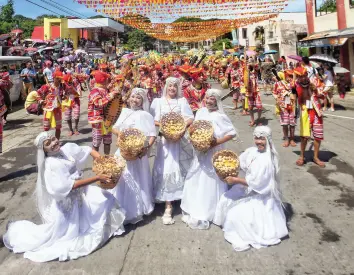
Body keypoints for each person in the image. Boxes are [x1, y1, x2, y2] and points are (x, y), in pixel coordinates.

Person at [2, 131, 125, 262]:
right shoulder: (51, 164)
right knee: (65, 236)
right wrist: (97, 177)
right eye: (48, 144)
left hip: (81, 194)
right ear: (44, 150)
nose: (54, 143)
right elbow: (70, 186)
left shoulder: (66, 149)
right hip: (68, 204)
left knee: (106, 198)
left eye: (53, 139)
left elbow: (87, 149)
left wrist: (101, 161)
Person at [214, 126, 288, 252]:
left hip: (260, 195)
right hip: (247, 187)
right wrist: (227, 165)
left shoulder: (267, 161)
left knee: (235, 215)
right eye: (256, 138)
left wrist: (236, 180)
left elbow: (258, 184)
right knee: (225, 199)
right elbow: (240, 162)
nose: (258, 141)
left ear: (268, 140)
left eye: (262, 139)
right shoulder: (253, 151)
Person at [181, 89, 237, 230]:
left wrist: (215, 142)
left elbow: (231, 133)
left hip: (213, 151)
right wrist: (193, 136)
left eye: (212, 99)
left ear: (217, 101)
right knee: (196, 175)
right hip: (200, 150)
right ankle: (193, 204)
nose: (209, 101)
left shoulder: (220, 116)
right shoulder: (201, 112)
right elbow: (195, 127)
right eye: (207, 98)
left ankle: (207, 209)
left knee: (209, 179)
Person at [150, 77, 194, 225]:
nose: (172, 89)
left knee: (178, 167)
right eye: (170, 86)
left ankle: (178, 201)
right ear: (166, 87)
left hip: (179, 139)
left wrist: (180, 126)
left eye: (175, 86)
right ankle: (167, 204)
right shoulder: (158, 102)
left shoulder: (182, 102)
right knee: (166, 168)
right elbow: (153, 120)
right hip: (164, 141)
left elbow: (189, 118)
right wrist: (165, 125)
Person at [111, 88, 156, 225]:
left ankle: (136, 208)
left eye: (138, 98)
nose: (135, 100)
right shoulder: (124, 111)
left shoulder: (145, 115)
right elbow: (114, 127)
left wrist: (146, 148)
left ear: (143, 101)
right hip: (123, 150)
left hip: (138, 153)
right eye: (133, 97)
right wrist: (120, 135)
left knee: (136, 177)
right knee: (122, 177)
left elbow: (152, 135)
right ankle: (120, 205)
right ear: (129, 98)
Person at [294, 67, 325, 167]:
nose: (303, 78)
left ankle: (316, 157)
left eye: (304, 75)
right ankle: (302, 156)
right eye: (300, 76)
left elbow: (323, 95)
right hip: (305, 112)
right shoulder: (296, 85)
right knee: (304, 136)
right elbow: (297, 98)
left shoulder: (315, 81)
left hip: (316, 111)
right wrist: (302, 88)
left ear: (307, 75)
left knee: (318, 136)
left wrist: (315, 90)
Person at [88, 70, 119, 155]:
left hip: (107, 119)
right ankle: (96, 162)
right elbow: (98, 103)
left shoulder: (105, 90)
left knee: (107, 141)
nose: (108, 81)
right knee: (96, 142)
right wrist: (111, 95)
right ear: (104, 80)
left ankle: (107, 160)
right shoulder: (94, 91)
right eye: (107, 79)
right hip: (97, 120)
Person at [36, 70, 66, 140]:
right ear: (54, 78)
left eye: (60, 79)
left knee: (58, 128)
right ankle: (46, 145)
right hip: (48, 110)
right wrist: (41, 101)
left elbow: (64, 96)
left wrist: (64, 97)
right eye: (58, 78)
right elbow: (37, 93)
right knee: (46, 128)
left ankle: (57, 143)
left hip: (57, 110)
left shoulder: (61, 87)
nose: (59, 80)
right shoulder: (47, 86)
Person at [273, 70, 297, 147]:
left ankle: (292, 139)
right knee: (285, 124)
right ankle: (286, 139)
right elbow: (274, 93)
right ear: (285, 76)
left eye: (291, 76)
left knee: (292, 124)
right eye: (288, 76)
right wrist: (278, 98)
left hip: (292, 106)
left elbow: (298, 93)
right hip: (283, 107)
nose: (289, 78)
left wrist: (293, 94)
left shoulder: (294, 83)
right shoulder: (278, 84)